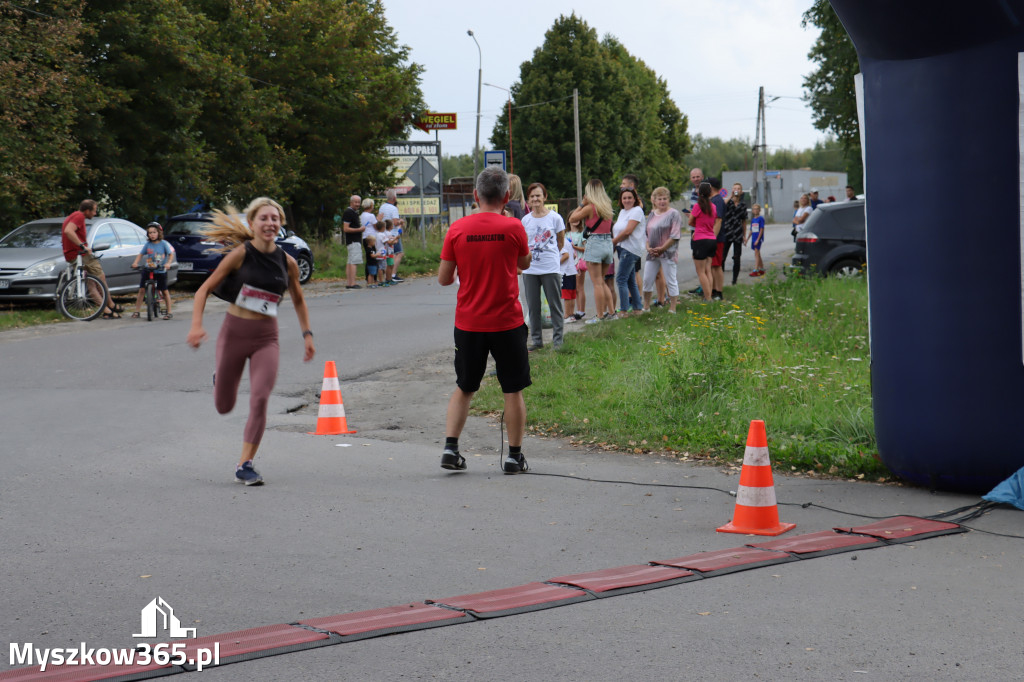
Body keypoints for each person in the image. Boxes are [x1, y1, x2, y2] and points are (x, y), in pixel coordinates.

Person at [186, 197, 316, 486]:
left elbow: (298, 298)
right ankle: (220, 379)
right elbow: (203, 290)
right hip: (234, 333)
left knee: (260, 398)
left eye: (275, 219)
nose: (270, 223)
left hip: (266, 338)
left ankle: (245, 464)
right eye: (264, 218)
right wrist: (196, 326)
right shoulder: (240, 254)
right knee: (224, 406)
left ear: (280, 224)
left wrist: (307, 335)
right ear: (253, 223)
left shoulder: (288, 261)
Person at [438, 167, 532, 475]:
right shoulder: (514, 227)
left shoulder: (457, 229)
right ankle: (514, 457)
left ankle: (451, 448)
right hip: (506, 321)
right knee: (512, 389)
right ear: (506, 196)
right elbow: (523, 263)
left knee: (465, 386)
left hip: (469, 323)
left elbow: (444, 278)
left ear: (475, 195)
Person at [521, 182, 566, 352]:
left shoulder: (555, 218)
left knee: (555, 305)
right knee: (533, 307)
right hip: (530, 269)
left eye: (538, 195)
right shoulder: (525, 220)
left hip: (550, 268)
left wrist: (552, 255)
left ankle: (558, 341)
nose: (535, 199)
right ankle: (537, 340)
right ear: (528, 199)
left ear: (545, 197)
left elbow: (560, 241)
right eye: (532, 196)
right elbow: (524, 244)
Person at [61, 199, 122, 319]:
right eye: (94, 211)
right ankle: (110, 306)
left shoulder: (73, 215)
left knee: (91, 283)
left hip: (72, 255)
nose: (95, 214)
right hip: (80, 254)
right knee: (100, 278)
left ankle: (107, 309)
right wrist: (83, 246)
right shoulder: (79, 216)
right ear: (87, 210)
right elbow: (68, 231)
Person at [569, 179, 615, 323]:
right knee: (602, 281)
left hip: (595, 243)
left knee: (597, 283)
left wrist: (582, 203)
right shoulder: (608, 207)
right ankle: (612, 313)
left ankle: (600, 316)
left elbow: (572, 218)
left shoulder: (590, 208)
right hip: (608, 243)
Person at [642, 187, 683, 313]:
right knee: (647, 280)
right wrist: (648, 248)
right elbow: (646, 234)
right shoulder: (652, 214)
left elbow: (675, 235)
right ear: (654, 200)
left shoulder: (674, 214)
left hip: (668, 252)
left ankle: (673, 307)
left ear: (668, 199)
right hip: (652, 253)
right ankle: (646, 307)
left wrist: (662, 248)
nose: (662, 201)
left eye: (665, 198)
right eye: (659, 199)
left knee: (671, 280)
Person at [130, 222, 175, 319]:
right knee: (142, 290)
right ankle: (137, 311)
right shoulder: (148, 244)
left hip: (160, 270)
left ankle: (169, 312)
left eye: (154, 232)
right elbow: (141, 254)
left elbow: (170, 254)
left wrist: (168, 263)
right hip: (149, 269)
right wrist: (135, 263)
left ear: (159, 232)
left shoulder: (163, 244)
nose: (152, 234)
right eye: (150, 233)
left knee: (164, 291)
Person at [611, 186, 645, 316]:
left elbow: (628, 231)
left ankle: (624, 310)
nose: (627, 200)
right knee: (630, 280)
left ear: (635, 199)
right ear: (620, 200)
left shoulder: (636, 211)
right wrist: (616, 245)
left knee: (621, 279)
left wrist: (613, 242)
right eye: (624, 198)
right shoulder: (622, 212)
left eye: (630, 197)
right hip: (622, 248)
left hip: (630, 249)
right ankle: (637, 308)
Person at [688, 182, 718, 303]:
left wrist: (698, 226)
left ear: (698, 193)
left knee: (700, 272)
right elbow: (712, 222)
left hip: (700, 239)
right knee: (708, 270)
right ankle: (708, 296)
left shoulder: (697, 206)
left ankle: (708, 298)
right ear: (710, 192)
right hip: (711, 239)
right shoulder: (713, 207)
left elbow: (690, 222)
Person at [720, 182, 748, 286]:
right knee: (722, 257)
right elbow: (722, 207)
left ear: (741, 191)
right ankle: (720, 280)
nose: (736, 190)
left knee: (737, 258)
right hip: (727, 232)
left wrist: (744, 236)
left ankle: (734, 281)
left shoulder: (743, 205)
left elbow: (744, 221)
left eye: (738, 189)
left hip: (737, 233)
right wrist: (730, 196)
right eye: (735, 188)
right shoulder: (728, 202)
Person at [377, 189, 405, 282]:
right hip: (393, 234)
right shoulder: (393, 208)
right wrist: (401, 221)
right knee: (399, 253)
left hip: (384, 233)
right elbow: (395, 222)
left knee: (388, 255)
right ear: (394, 198)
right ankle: (393, 274)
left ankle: (388, 276)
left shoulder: (382, 207)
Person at [707, 177, 727, 300]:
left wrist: (713, 237)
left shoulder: (717, 200)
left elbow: (718, 220)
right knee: (712, 265)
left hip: (717, 238)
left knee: (717, 265)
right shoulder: (713, 199)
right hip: (712, 237)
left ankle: (719, 292)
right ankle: (714, 290)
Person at [341, 195, 364, 289]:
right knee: (354, 261)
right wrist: (359, 229)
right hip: (353, 240)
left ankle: (349, 283)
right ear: (351, 202)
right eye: (356, 202)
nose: (357, 204)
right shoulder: (348, 212)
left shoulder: (354, 212)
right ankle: (352, 283)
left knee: (350, 261)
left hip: (354, 240)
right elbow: (345, 228)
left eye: (359, 202)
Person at [567, 218, 587, 321]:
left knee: (579, 287)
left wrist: (574, 247)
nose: (575, 220)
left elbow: (586, 248)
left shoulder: (582, 234)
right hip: (569, 264)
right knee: (572, 289)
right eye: (573, 218)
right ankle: (573, 311)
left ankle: (581, 310)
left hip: (579, 263)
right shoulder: (566, 234)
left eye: (577, 218)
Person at [559, 228, 578, 322]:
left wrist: (556, 263)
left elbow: (566, 255)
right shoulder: (567, 241)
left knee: (566, 294)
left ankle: (566, 315)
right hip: (572, 270)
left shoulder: (560, 242)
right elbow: (574, 255)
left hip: (565, 271)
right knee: (572, 294)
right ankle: (571, 314)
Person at [747, 203, 766, 276]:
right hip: (753, 238)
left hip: (758, 239)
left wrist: (758, 239)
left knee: (756, 253)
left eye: (756, 209)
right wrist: (747, 239)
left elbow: (761, 229)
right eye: (754, 209)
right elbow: (751, 230)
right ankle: (762, 268)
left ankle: (756, 269)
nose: (755, 210)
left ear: (759, 210)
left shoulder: (760, 219)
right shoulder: (753, 220)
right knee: (758, 254)